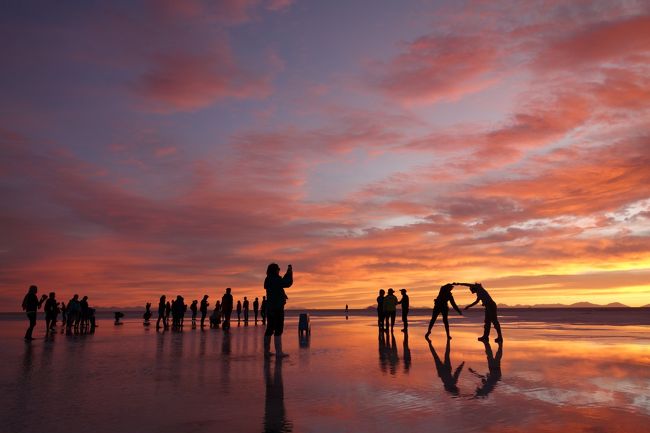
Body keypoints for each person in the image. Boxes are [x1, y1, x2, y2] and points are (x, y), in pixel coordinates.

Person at [264, 263, 292, 357]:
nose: (279, 270)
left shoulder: (268, 279)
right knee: (278, 329)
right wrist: (289, 272)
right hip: (277, 307)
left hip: (270, 308)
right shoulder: (275, 279)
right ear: (275, 270)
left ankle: (266, 351)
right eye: (278, 269)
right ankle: (279, 352)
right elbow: (287, 283)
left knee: (270, 328)